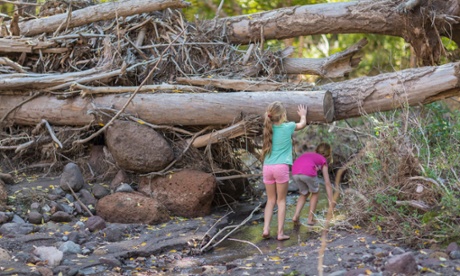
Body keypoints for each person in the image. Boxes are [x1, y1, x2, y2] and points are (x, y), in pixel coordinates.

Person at [261, 101, 307, 241]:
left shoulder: (267, 129)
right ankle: (280, 233)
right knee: (281, 201)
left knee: (270, 200)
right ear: (283, 115)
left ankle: (266, 228)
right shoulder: (288, 127)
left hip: (267, 167)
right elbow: (302, 124)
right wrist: (303, 115)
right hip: (281, 168)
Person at [291, 143, 334, 226]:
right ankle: (310, 219)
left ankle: (295, 216)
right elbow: (327, 183)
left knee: (304, 193)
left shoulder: (309, 155)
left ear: (315, 151)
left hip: (295, 171)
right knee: (315, 192)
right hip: (307, 172)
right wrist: (331, 201)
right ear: (328, 156)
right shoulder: (323, 160)